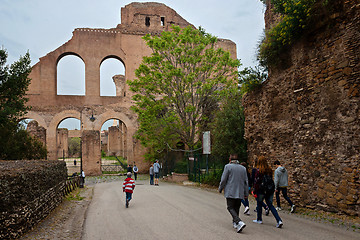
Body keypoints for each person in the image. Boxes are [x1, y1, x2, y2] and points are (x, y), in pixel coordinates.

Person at [219, 154, 248, 233]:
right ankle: (236, 223)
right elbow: (246, 181)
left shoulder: (228, 167)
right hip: (240, 191)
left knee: (230, 207)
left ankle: (239, 221)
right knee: (237, 207)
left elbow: (223, 179)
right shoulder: (243, 168)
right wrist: (246, 192)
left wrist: (220, 188)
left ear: (230, 159)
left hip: (230, 191)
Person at [252, 156, 283, 228]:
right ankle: (279, 220)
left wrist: (254, 190)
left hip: (261, 190)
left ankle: (259, 219)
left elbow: (257, 181)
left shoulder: (259, 170)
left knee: (259, 204)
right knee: (270, 205)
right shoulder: (269, 170)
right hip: (269, 189)